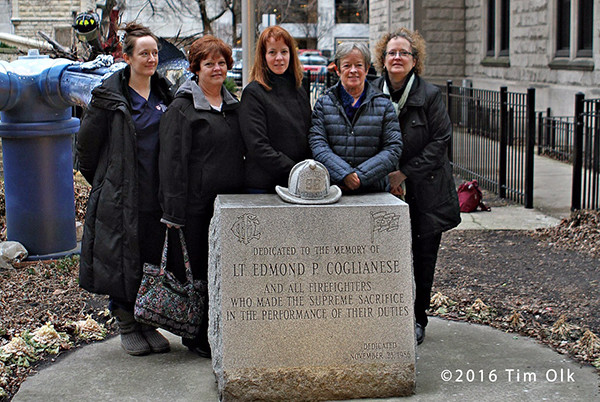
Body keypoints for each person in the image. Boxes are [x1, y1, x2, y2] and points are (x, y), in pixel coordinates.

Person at [77, 22, 173, 356]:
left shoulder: (165, 94)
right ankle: (127, 324)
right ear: (128, 57)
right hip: (121, 196)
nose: (151, 59)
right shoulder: (109, 97)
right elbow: (86, 151)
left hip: (156, 196)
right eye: (144, 53)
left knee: (150, 259)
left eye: (155, 53)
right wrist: (107, 184)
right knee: (121, 261)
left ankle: (148, 321)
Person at [372, 28, 461, 345]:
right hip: (381, 189)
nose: (397, 58)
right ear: (383, 59)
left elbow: (441, 142)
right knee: (385, 257)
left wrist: (404, 174)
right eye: (392, 52)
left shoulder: (430, 95)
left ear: (414, 60)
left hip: (425, 191)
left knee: (423, 258)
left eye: (404, 53)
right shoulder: (371, 92)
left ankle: (417, 318)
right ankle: (385, 314)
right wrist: (385, 174)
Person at [158, 35, 245, 358]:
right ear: (196, 68)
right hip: (195, 207)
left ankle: (221, 330)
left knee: (224, 272)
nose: (216, 68)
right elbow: (171, 161)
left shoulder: (233, 106)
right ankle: (197, 336)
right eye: (209, 63)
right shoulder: (182, 109)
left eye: (221, 62)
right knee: (200, 274)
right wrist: (173, 210)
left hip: (229, 205)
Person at [309, 42, 402, 194]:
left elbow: (393, 148)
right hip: (333, 190)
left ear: (366, 69)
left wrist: (360, 176)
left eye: (358, 65)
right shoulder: (323, 104)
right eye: (347, 65)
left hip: (374, 190)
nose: (353, 70)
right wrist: (344, 174)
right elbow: (318, 145)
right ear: (338, 70)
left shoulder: (384, 105)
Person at [239, 25, 312, 193]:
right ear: (263, 56)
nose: (279, 58)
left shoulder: (299, 89)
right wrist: (295, 170)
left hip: (298, 184)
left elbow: (308, 133)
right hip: (264, 186)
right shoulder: (253, 93)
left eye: (284, 52)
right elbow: (258, 146)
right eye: (272, 52)